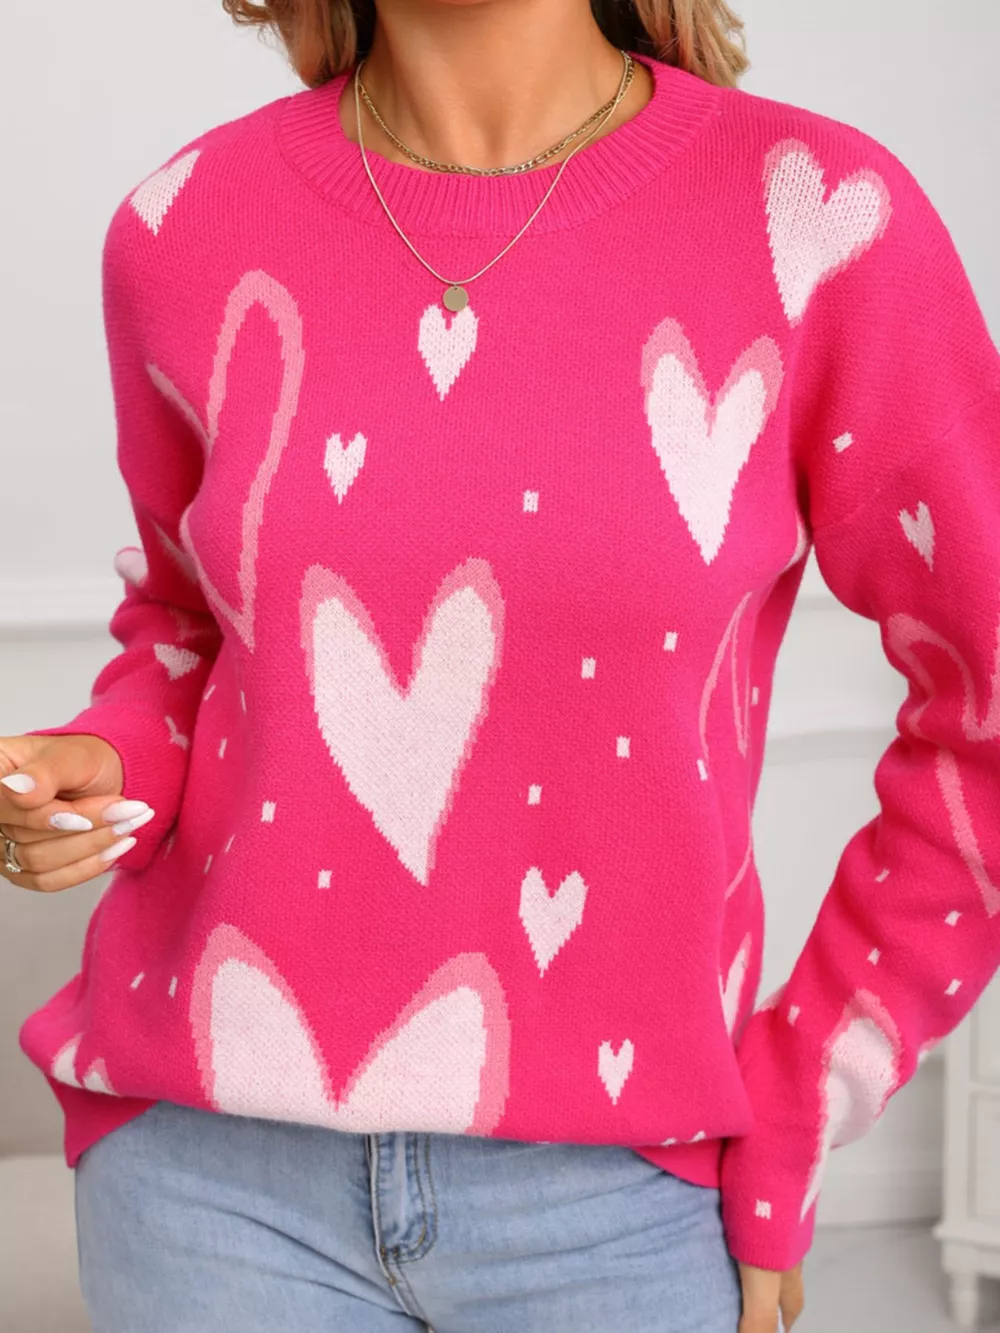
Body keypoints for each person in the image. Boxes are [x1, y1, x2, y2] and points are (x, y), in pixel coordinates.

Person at [3, 0, 998, 1328]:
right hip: (206, 1185)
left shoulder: (820, 220)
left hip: (621, 1197)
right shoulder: (183, 226)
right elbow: (188, 632)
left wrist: (797, 1104)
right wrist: (105, 764)